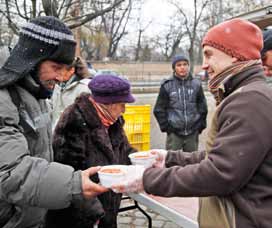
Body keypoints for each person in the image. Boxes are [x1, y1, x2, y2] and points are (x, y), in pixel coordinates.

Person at [114, 18, 272, 228]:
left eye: (209, 54)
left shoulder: (249, 99)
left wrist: (147, 178)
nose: (204, 65)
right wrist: (170, 158)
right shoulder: (247, 94)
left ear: (234, 54)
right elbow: (224, 157)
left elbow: (220, 174)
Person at [0, 16, 108, 228]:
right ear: (30, 59)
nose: (61, 78)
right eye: (56, 67)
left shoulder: (36, 91)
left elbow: (40, 154)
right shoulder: (5, 97)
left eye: (65, 69)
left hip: (30, 216)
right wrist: (74, 184)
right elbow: (10, 172)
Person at [46, 74, 136, 228]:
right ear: (107, 103)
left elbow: (125, 152)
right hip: (82, 216)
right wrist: (95, 214)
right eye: (122, 103)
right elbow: (67, 174)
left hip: (107, 210)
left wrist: (144, 165)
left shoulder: (113, 121)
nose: (124, 110)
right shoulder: (73, 121)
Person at [153, 55, 207, 151]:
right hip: (174, 133)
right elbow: (159, 109)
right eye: (179, 65)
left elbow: (202, 107)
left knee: (192, 161)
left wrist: (200, 126)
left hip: (192, 132)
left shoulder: (196, 84)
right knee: (172, 162)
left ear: (188, 66)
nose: (182, 67)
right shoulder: (167, 85)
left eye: (185, 64)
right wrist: (167, 128)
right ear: (174, 68)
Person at [52, 56, 92, 130]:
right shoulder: (58, 85)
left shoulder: (85, 88)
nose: (57, 73)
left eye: (60, 69)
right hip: (57, 135)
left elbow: (87, 119)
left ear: (71, 70)